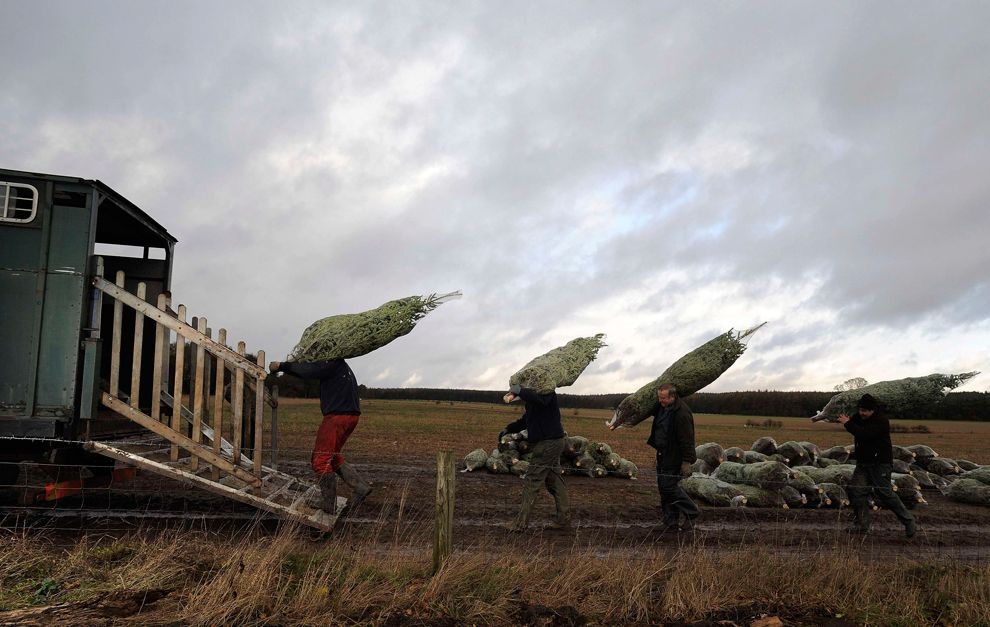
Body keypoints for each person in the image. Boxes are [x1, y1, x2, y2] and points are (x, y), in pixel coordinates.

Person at [269, 359, 371, 516]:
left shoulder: (332, 363)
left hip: (337, 417)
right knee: (332, 455)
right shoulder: (342, 365)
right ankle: (360, 487)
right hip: (350, 415)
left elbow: (308, 371)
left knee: (320, 459)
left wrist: (282, 366)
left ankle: (329, 503)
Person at [838, 393, 916, 537]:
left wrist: (847, 424)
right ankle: (862, 525)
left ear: (872, 410)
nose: (861, 413)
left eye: (864, 411)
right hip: (863, 464)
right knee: (858, 491)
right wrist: (830, 412)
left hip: (880, 463)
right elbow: (845, 419)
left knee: (884, 493)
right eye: (860, 410)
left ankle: (909, 521)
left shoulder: (881, 420)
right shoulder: (860, 417)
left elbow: (864, 433)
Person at [500, 384, 569, 532]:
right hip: (553, 441)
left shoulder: (546, 392)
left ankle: (520, 524)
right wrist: (508, 428)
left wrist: (521, 391)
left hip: (548, 443)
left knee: (532, 480)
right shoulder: (533, 401)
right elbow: (526, 420)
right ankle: (563, 520)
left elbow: (539, 401)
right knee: (555, 481)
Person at [647, 383, 699, 531]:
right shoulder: (662, 408)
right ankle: (670, 521)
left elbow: (688, 440)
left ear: (672, 397)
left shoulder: (682, 413)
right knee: (663, 490)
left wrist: (686, 462)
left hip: (674, 457)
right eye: (659, 397)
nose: (660, 400)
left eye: (663, 398)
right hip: (662, 454)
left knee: (669, 487)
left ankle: (692, 511)